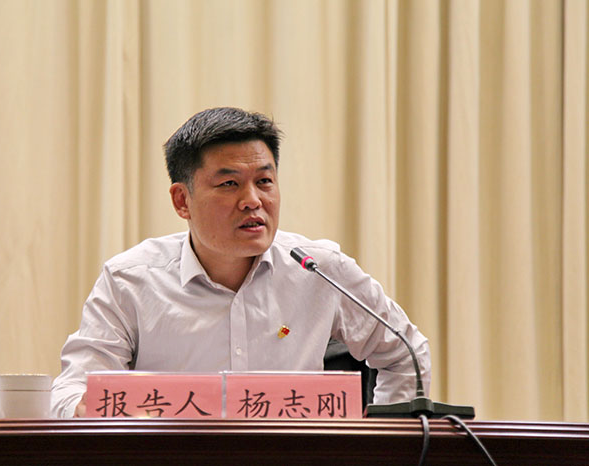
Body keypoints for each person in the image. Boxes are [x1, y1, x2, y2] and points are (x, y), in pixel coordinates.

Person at [51, 107, 431, 418]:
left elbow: (406, 354)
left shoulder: (318, 269)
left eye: (264, 181)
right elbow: (72, 390)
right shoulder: (130, 280)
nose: (253, 201)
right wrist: (86, 412)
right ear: (182, 200)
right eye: (229, 184)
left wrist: (378, 444)